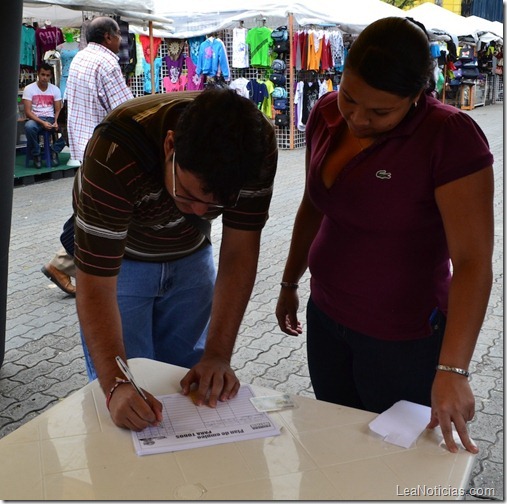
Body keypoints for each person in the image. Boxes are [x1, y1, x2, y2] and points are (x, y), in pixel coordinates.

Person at [275, 17, 494, 455]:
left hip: (401, 338)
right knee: (334, 442)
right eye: (351, 98)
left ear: (417, 96)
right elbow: (313, 204)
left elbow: (472, 262)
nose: (357, 118)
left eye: (380, 112)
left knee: (394, 458)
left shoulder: (449, 137)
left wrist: (453, 369)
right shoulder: (324, 113)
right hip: (327, 318)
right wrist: (289, 282)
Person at [73, 88, 277, 431]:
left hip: (191, 258)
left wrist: (218, 354)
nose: (199, 211)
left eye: (216, 206)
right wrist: (116, 385)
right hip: (124, 264)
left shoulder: (254, 148)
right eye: (188, 195)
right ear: (170, 146)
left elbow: (239, 251)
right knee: (128, 398)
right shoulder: (114, 152)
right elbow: (95, 286)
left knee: (187, 389)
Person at [42, 17, 134, 296]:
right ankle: (61, 264)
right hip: (105, 153)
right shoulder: (107, 63)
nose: (121, 41)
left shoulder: (81, 58)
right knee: (102, 214)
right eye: (119, 36)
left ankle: (68, 264)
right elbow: (124, 111)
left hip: (86, 149)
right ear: (108, 36)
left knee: (93, 211)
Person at [22, 62, 66, 168]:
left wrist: (56, 121)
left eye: (47, 75)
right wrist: (42, 122)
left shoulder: (55, 89)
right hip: (36, 119)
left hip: (51, 119)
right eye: (42, 74)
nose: (44, 78)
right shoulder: (29, 89)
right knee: (29, 126)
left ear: (50, 76)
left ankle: (54, 150)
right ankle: (36, 154)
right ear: (38, 74)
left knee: (70, 128)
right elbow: (27, 112)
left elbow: (58, 109)